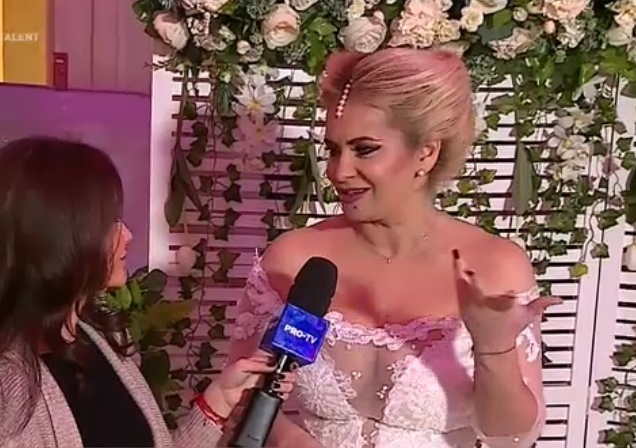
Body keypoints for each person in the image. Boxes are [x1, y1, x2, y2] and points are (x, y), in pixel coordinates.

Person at [227, 48, 561, 447]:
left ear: (426, 152)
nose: (339, 172)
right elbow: (239, 395)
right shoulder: (292, 259)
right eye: (333, 150)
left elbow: (512, 436)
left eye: (364, 149)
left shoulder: (495, 266)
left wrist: (494, 347)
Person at [0, 137, 296, 448]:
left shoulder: (96, 339)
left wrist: (218, 402)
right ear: (61, 238)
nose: (127, 236)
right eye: (108, 223)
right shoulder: (3, 387)